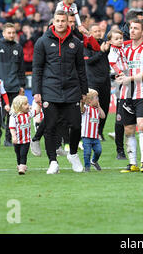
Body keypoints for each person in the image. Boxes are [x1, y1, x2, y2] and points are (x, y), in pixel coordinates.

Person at [32, 10, 88, 174]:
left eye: (63, 20)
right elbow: (37, 68)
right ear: (53, 22)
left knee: (76, 126)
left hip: (72, 90)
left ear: (68, 23)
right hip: (50, 89)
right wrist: (36, 91)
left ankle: (73, 154)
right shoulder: (42, 42)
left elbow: (81, 69)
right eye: (58, 20)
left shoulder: (76, 43)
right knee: (50, 127)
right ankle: (53, 162)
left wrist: (84, 91)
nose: (61, 23)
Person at [115, 19, 143, 173]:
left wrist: (129, 79)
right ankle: (132, 163)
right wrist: (118, 75)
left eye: (136, 29)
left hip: (142, 93)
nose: (132, 31)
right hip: (126, 94)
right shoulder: (123, 48)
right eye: (131, 28)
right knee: (129, 130)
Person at [0, 22, 25, 147]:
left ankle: (8, 139)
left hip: (14, 86)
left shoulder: (18, 48)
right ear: (3, 33)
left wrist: (22, 85)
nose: (12, 35)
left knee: (12, 114)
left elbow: (21, 68)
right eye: (9, 33)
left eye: (13, 33)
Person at [83, 23, 111, 141]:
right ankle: (89, 131)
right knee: (91, 107)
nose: (98, 33)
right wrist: (101, 52)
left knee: (105, 106)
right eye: (95, 31)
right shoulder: (86, 46)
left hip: (105, 80)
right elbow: (88, 61)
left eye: (99, 31)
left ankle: (100, 132)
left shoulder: (104, 44)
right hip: (92, 81)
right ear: (90, 33)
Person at [107, 28, 129, 159]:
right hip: (121, 82)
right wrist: (120, 73)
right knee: (120, 116)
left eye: (121, 38)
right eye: (116, 39)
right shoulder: (113, 51)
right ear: (110, 41)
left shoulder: (122, 47)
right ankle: (119, 150)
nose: (120, 40)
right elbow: (112, 63)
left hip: (129, 80)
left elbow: (131, 42)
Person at [9, 95, 41, 175]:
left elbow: (37, 111)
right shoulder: (14, 116)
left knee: (23, 153)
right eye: (25, 104)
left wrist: (38, 103)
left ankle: (22, 167)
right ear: (19, 106)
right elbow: (12, 127)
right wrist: (13, 136)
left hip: (26, 139)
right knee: (18, 153)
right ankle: (20, 164)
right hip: (17, 140)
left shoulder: (28, 114)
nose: (28, 105)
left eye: (28, 103)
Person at [81, 88, 106, 172]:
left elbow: (103, 116)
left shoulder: (97, 110)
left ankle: (94, 161)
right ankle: (87, 166)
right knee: (87, 152)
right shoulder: (86, 108)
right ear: (90, 101)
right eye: (96, 98)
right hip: (86, 136)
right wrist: (82, 102)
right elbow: (81, 110)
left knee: (98, 150)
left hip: (95, 137)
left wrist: (99, 106)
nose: (98, 99)